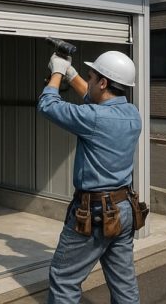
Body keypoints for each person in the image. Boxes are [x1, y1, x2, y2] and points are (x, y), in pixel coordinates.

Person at [37, 50, 143, 304]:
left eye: (91, 76)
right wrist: (73, 74)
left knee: (64, 279)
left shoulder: (95, 118)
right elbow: (94, 99)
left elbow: (47, 104)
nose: (90, 81)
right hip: (123, 208)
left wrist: (57, 72)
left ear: (104, 83)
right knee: (123, 283)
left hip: (94, 212)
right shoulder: (132, 114)